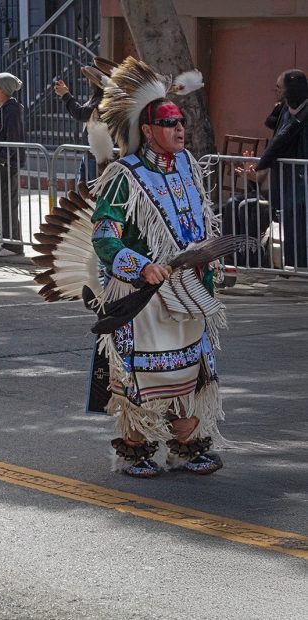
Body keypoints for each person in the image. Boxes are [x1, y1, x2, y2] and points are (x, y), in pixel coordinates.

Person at [90, 57, 225, 477]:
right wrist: (140, 266)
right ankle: (135, 449)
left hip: (189, 290)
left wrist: (210, 260)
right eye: (169, 123)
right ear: (147, 131)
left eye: (181, 121)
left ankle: (187, 444)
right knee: (142, 373)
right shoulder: (123, 175)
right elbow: (104, 236)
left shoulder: (187, 165)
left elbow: (199, 219)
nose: (179, 129)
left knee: (191, 367)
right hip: (142, 296)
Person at [241, 69, 308, 268]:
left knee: (301, 223)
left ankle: (302, 268)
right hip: (286, 177)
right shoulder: (286, 109)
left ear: (291, 90)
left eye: (279, 88)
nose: (276, 91)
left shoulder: (303, 113)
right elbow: (275, 130)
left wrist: (262, 164)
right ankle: (295, 266)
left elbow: (282, 140)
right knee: (290, 221)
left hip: (302, 176)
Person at [0, 72, 26, 257]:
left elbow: (13, 137)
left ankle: (14, 244)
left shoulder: (12, 109)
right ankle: (7, 240)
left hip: (6, 165)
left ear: (3, 90)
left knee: (7, 203)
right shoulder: (0, 107)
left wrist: (4, 159)